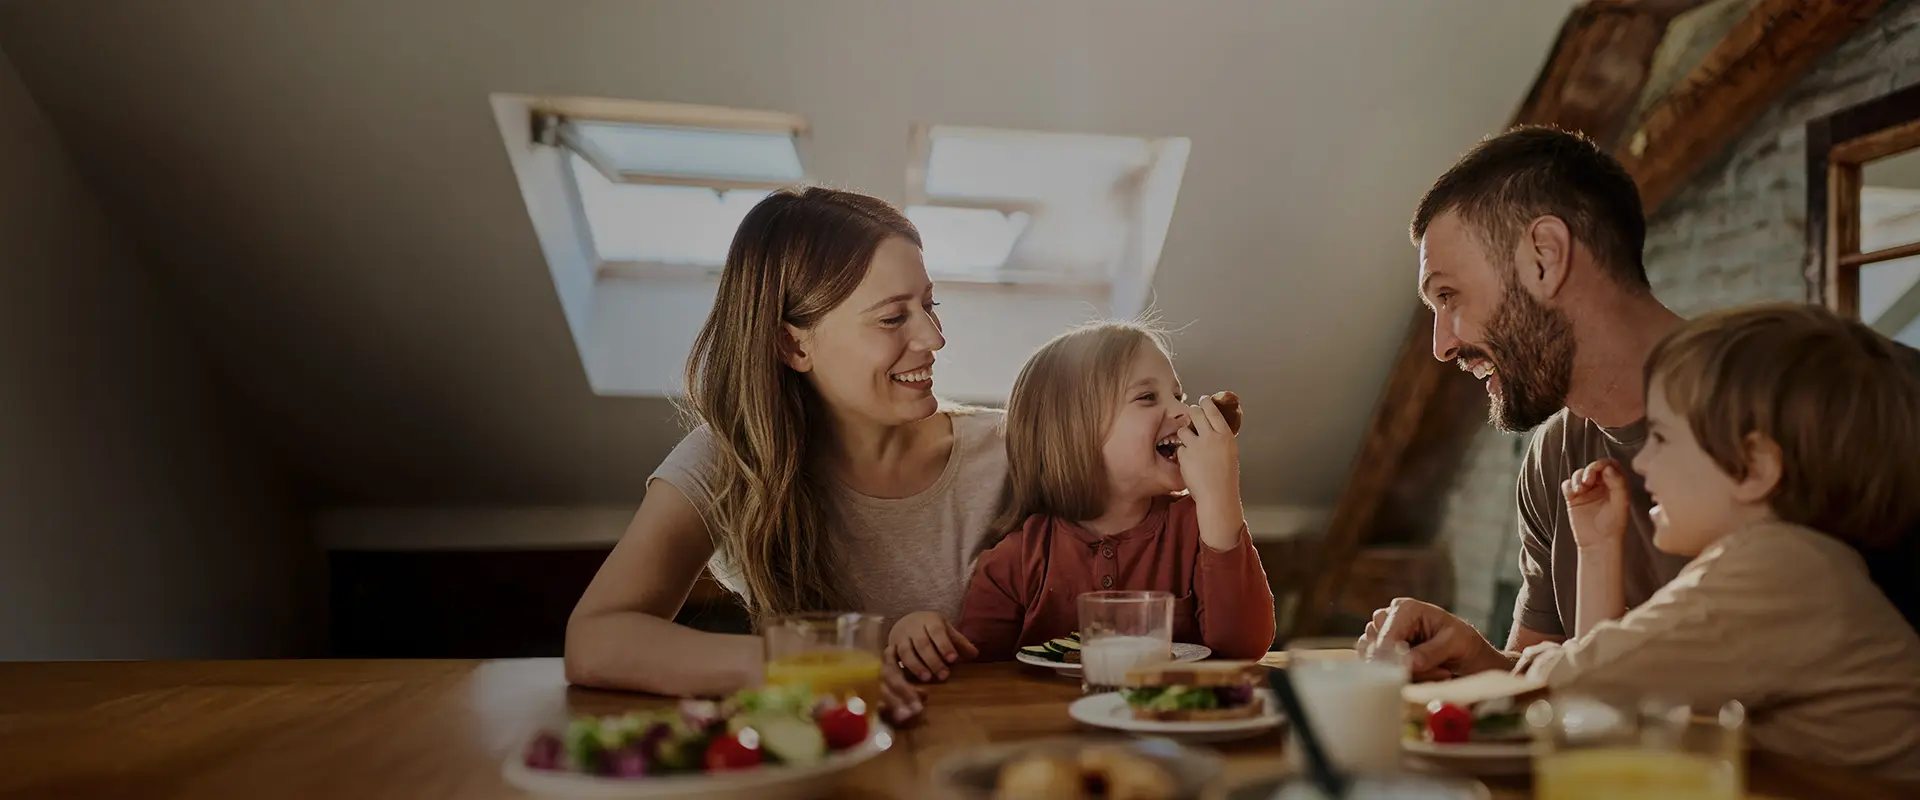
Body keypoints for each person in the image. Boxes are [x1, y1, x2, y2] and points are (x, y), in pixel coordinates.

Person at [1356, 125, 1920, 681]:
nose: (1441, 345)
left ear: (1545, 258)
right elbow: (1561, 682)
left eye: (1449, 295)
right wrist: (1477, 663)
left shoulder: (1812, 409)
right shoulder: (1556, 458)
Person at [564, 187, 1009, 723]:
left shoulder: (1011, 449)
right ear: (794, 345)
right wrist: (790, 663)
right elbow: (595, 638)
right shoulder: (733, 459)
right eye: (893, 319)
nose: (934, 338)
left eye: (929, 305)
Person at [1531, 304, 1920, 782]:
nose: (1643, 461)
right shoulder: (1801, 562)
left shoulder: (1779, 571)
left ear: (1755, 466)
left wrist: (1533, 669)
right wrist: (1597, 551)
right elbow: (1609, 700)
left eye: (1662, 437)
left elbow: (1584, 684)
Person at [952, 320, 1275, 663]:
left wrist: (1219, 499)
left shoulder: (1199, 527)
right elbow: (976, 677)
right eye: (1147, 397)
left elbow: (1243, 648)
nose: (1183, 411)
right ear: (1074, 432)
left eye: (1177, 396)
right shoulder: (1017, 560)